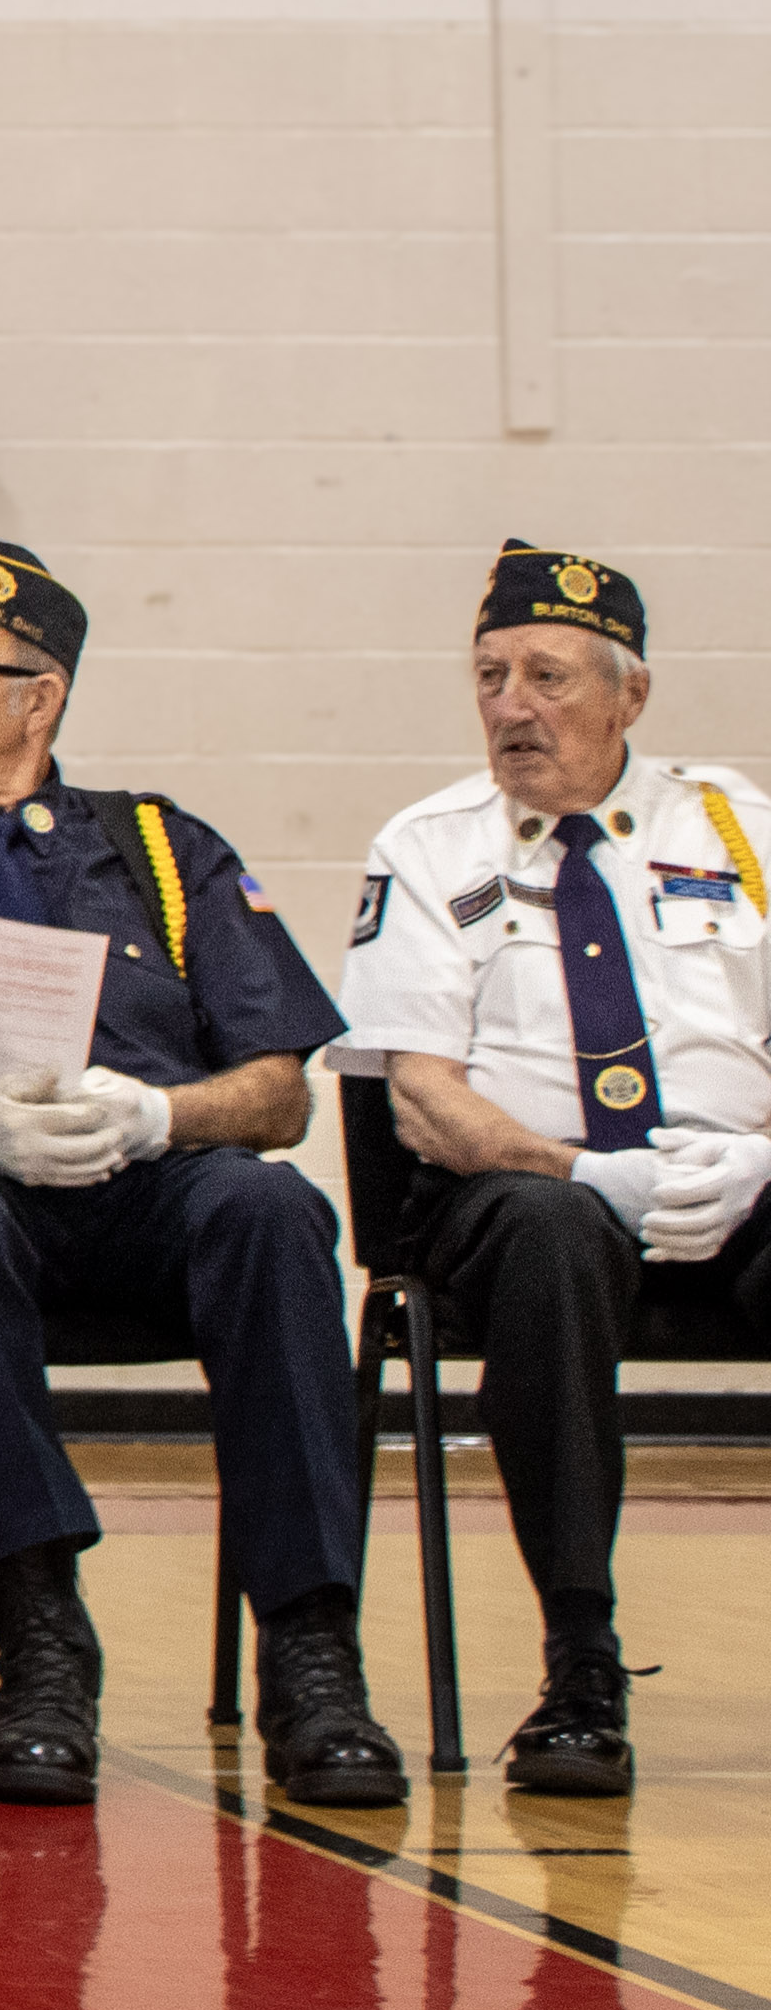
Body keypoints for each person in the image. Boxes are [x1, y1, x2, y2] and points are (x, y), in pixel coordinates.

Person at [0, 534, 401, 1811]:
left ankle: (314, 1649)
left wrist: (160, 1112)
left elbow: (276, 1089)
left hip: (142, 1180)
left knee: (273, 1208)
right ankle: (41, 1632)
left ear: (38, 694)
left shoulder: (161, 848)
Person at [337, 544, 771, 1798]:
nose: (511, 707)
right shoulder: (431, 846)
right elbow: (422, 1094)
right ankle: (581, 1662)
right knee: (549, 1234)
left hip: (734, 1174)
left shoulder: (734, 825)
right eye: (490, 677)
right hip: (514, 1188)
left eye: (546, 677)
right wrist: (591, 1171)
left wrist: (753, 1159)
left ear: (631, 696)